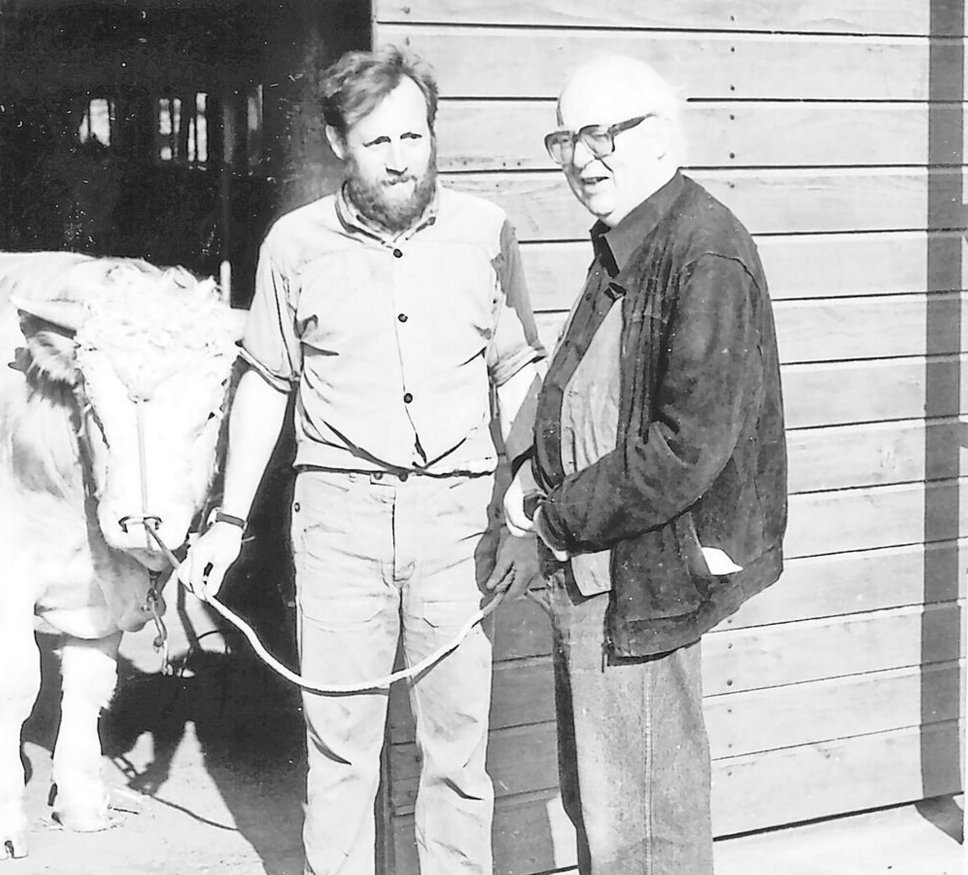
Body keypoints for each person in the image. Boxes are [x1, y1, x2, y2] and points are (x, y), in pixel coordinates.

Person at [176, 46, 546, 875]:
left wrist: (533, 493)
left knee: (457, 752)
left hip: (458, 525)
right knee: (341, 752)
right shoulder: (293, 245)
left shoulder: (488, 234)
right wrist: (229, 523)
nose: (401, 156)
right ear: (340, 144)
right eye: (378, 141)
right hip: (338, 525)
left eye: (414, 135)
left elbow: (519, 370)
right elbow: (266, 385)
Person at [504, 55, 787, 874]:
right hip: (595, 566)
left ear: (662, 138)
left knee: (644, 824)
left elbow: (684, 446)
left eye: (602, 133)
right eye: (566, 137)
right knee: (607, 806)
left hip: (639, 573)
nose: (580, 158)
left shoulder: (704, 251)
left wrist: (554, 521)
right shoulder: (629, 240)